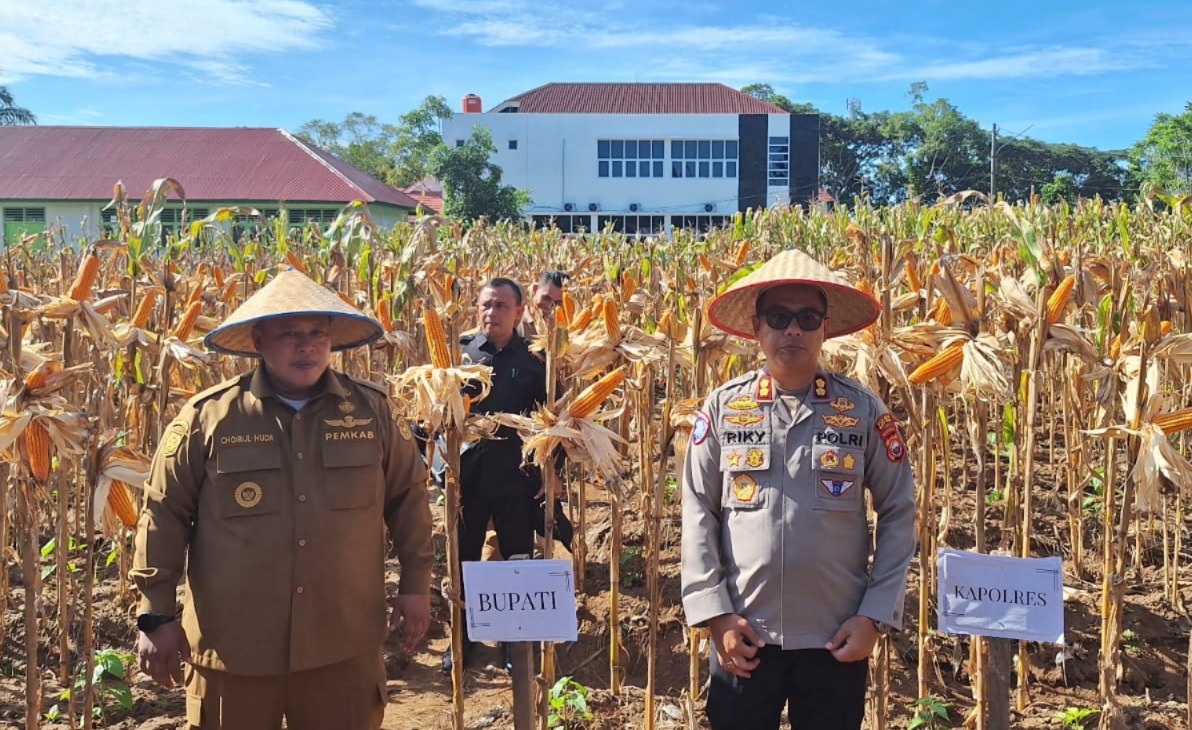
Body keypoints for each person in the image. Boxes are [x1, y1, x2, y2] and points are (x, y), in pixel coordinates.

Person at [132, 269, 434, 730]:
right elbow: (163, 513)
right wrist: (156, 614)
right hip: (235, 649)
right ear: (258, 341)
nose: (306, 346)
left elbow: (409, 497)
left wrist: (416, 585)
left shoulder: (371, 410)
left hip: (342, 641)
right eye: (289, 334)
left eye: (317, 333)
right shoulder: (207, 418)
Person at [681, 249, 916, 730]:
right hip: (744, 634)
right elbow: (697, 509)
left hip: (836, 637)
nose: (793, 330)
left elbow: (898, 511)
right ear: (757, 326)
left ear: (824, 329)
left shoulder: (863, 410)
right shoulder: (724, 408)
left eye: (808, 318)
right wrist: (715, 615)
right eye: (779, 317)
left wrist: (874, 616)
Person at [444, 277, 553, 675]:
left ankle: (513, 642)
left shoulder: (536, 358)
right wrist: (442, 468)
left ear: (519, 312)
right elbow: (440, 414)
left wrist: (548, 470)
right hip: (468, 476)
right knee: (464, 558)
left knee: (516, 558)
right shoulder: (461, 351)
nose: (492, 313)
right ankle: (462, 639)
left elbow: (550, 419)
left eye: (502, 306)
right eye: (487, 305)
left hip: (517, 475)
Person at [519, 269, 570, 339]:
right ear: (535, 290)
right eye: (546, 298)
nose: (550, 306)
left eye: (558, 303)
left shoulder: (567, 327)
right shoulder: (515, 321)